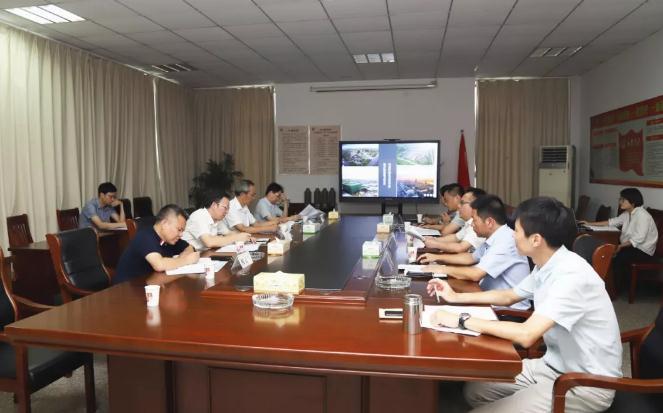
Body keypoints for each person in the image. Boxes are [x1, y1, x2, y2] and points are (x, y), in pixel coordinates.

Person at [426, 197, 621, 413]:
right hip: (551, 365)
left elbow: (526, 334)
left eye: (517, 231)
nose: (512, 235)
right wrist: (455, 297)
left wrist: (461, 320)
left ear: (536, 239)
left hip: (583, 384)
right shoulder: (547, 263)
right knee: (475, 391)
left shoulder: (571, 276)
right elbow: (509, 296)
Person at [420, 195, 530, 310]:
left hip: (506, 311)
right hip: (487, 298)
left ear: (489, 222)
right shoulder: (496, 236)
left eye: (475, 220)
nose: (472, 224)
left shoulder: (506, 241)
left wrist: (442, 269)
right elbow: (470, 258)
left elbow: (475, 274)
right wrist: (436, 257)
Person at [582, 187, 658, 284]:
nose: (620, 202)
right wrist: (589, 223)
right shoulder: (628, 213)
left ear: (632, 202)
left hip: (643, 251)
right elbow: (611, 222)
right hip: (630, 246)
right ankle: (605, 284)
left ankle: (613, 287)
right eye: (620, 199)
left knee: (615, 257)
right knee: (606, 251)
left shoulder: (643, 215)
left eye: (623, 199)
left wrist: (620, 246)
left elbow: (638, 239)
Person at [113, 205, 199, 284]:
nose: (181, 235)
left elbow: (190, 247)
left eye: (182, 231)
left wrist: (183, 257)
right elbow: (159, 265)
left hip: (151, 284)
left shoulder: (170, 239)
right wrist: (185, 260)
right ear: (164, 224)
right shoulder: (145, 236)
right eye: (179, 229)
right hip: (127, 288)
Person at [420, 187, 486, 254]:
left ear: (475, 205)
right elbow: (455, 237)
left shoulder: (478, 225)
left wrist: (436, 244)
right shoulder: (469, 222)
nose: (459, 206)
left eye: (462, 203)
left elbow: (461, 247)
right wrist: (434, 239)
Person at [182, 191, 252, 251]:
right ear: (214, 205)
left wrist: (246, 237)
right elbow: (209, 242)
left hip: (205, 253)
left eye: (228, 209)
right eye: (225, 208)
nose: (227, 212)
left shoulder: (216, 218)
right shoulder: (199, 216)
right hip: (190, 255)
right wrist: (236, 238)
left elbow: (229, 233)